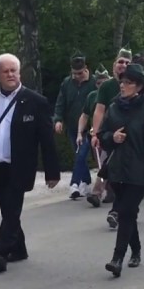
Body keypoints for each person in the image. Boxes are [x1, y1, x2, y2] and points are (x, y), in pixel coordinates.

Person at [0, 53, 61, 273]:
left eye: (13, 70)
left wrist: (52, 172)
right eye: (5, 71)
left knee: (13, 208)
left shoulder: (36, 101)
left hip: (20, 167)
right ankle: (19, 249)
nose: (10, 75)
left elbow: (47, 140)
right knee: (8, 210)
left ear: (19, 73)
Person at [97, 63, 144, 277]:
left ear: (139, 87)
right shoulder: (114, 107)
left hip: (140, 172)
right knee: (129, 213)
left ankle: (117, 258)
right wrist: (112, 138)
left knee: (125, 211)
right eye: (122, 82)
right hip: (117, 171)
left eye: (128, 83)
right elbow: (102, 137)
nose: (123, 86)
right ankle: (135, 250)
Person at [53, 53, 97, 198]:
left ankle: (74, 184)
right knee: (79, 155)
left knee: (81, 152)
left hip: (89, 127)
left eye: (79, 73)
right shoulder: (67, 83)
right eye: (74, 73)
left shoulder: (94, 83)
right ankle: (86, 182)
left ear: (86, 69)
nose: (76, 76)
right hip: (72, 125)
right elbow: (61, 102)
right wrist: (58, 119)